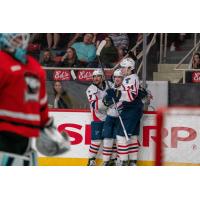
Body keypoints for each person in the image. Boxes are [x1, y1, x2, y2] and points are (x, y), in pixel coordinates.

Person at [0, 33, 70, 166]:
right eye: (15, 36)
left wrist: (46, 126)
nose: (19, 39)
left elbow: (41, 102)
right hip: (3, 133)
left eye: (21, 36)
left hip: (26, 137)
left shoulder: (34, 66)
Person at [103, 57, 143, 166]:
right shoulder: (133, 77)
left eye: (124, 68)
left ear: (130, 68)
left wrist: (116, 94)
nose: (122, 70)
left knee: (121, 137)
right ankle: (133, 162)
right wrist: (116, 92)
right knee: (133, 136)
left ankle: (124, 162)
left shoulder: (129, 78)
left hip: (131, 109)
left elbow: (130, 97)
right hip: (135, 109)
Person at [86, 69, 112, 166]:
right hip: (97, 118)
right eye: (94, 76)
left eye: (98, 76)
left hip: (110, 117)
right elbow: (95, 105)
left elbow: (118, 92)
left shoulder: (109, 84)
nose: (95, 78)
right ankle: (91, 160)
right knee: (96, 141)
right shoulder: (90, 89)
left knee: (109, 140)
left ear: (102, 77)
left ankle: (108, 161)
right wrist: (107, 100)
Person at [102, 69, 124, 166]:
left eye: (119, 77)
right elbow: (105, 102)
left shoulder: (125, 89)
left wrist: (118, 99)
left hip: (120, 117)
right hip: (110, 116)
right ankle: (106, 161)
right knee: (107, 139)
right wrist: (107, 100)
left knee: (119, 140)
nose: (117, 79)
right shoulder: (110, 88)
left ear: (123, 78)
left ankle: (118, 160)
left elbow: (125, 102)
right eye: (115, 77)